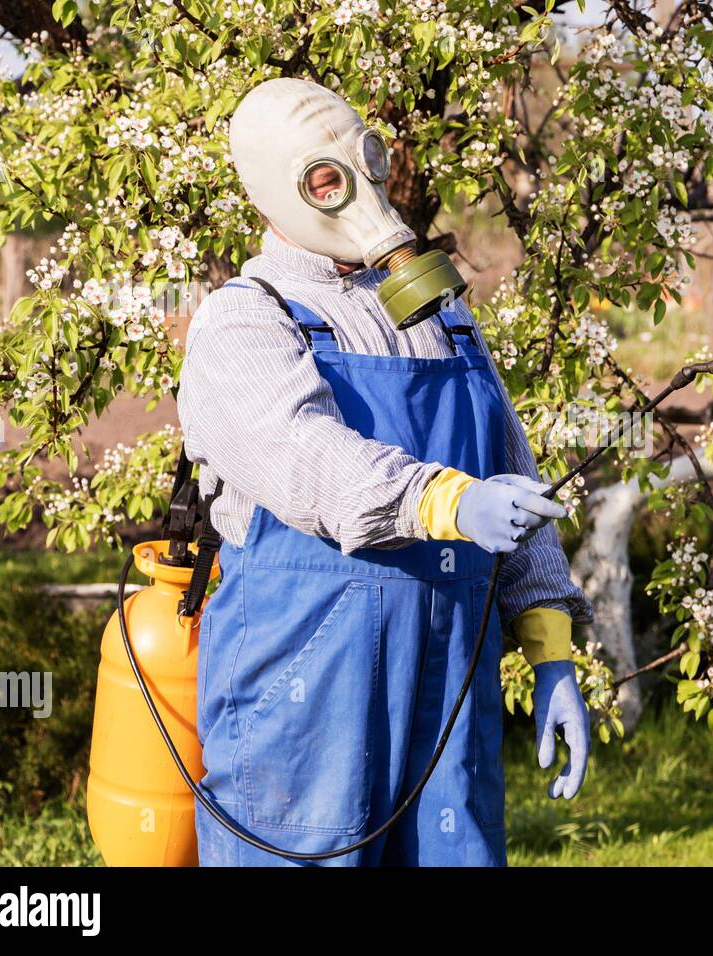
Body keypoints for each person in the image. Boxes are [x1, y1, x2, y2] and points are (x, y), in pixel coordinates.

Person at [177, 78, 593, 866]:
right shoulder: (246, 317)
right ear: (278, 188)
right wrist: (446, 501)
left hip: (447, 690)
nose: (360, 193)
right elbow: (305, 460)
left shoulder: (440, 316)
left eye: (365, 163)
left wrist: (551, 648)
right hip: (304, 703)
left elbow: (510, 465)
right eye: (327, 178)